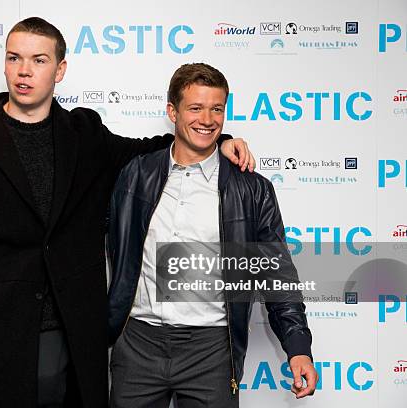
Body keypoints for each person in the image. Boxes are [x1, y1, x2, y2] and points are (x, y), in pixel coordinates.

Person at [0, 18, 254, 408]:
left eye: (38, 60)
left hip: (65, 332)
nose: (24, 71)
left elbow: (148, 150)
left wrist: (216, 138)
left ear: (60, 70)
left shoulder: (85, 133)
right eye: (14, 58)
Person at [107, 62, 317, 408]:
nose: (207, 119)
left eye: (216, 109)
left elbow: (276, 274)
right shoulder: (134, 174)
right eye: (195, 108)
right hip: (138, 345)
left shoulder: (251, 189)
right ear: (172, 111)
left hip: (212, 351)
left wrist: (298, 348)